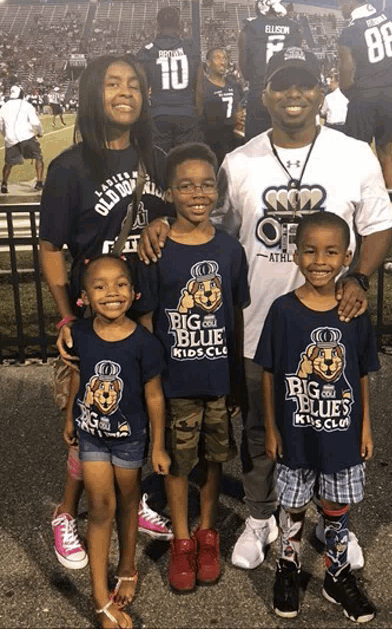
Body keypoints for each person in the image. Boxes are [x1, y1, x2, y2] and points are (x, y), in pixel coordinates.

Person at [137, 46, 392, 573]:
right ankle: (261, 516)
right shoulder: (238, 160)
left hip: (332, 323)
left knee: (332, 424)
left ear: (322, 92)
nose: (294, 94)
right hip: (256, 326)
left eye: (304, 84)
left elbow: (377, 226)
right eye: (282, 84)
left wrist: (361, 278)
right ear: (266, 94)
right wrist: (162, 222)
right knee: (259, 431)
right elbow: (207, 224)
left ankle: (330, 522)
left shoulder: (354, 154)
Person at [39, 55, 173, 573]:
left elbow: (169, 218)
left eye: (135, 84)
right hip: (95, 319)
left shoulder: (154, 157)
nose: (126, 92)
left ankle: (133, 500)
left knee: (132, 417)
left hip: (144, 319)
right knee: (91, 418)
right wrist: (67, 321)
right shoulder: (72, 166)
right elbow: (51, 246)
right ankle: (63, 514)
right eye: (113, 83)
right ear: (94, 93)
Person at [137, 142, 250, 593]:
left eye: (206, 184)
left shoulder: (230, 250)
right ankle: (182, 538)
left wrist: (237, 382)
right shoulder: (156, 250)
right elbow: (146, 323)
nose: (197, 193)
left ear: (217, 191)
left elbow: (235, 318)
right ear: (169, 191)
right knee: (180, 465)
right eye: (186, 185)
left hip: (218, 381)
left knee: (214, 459)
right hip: (176, 382)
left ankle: (208, 532)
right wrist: (150, 385)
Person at [256, 211, 378, 622]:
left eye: (330, 252)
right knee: (292, 507)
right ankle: (287, 567)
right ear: (295, 255)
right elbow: (270, 374)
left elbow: (359, 372)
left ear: (347, 257)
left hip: (342, 432)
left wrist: (364, 425)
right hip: (295, 433)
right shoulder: (283, 311)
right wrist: (271, 428)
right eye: (310, 251)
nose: (320, 260)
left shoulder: (353, 311)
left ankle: (336, 574)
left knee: (335, 504)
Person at [65, 254, 169, 629]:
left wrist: (158, 446)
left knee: (127, 502)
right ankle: (99, 600)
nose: (112, 292)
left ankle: (127, 565)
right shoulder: (80, 334)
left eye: (120, 284)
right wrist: (70, 417)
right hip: (92, 435)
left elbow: (154, 396)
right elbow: (79, 377)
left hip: (130, 440)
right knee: (98, 508)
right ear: (85, 297)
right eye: (100, 286)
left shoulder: (145, 343)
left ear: (134, 291)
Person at [337, 0, 392, 188]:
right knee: (386, 154)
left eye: (341, 2)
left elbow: (345, 74)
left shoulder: (350, 31)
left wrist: (352, 95)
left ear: (350, 1)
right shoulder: (389, 18)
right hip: (388, 94)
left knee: (355, 156)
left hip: (364, 95)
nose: (340, 7)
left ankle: (357, 208)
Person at [136, 6, 204, 153]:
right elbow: (199, 87)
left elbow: (140, 87)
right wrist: (197, 114)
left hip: (158, 114)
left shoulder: (148, 51)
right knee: (185, 161)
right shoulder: (191, 47)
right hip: (186, 113)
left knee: (160, 162)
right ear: (179, 24)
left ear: (158, 25)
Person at [239, 0, 302, 141]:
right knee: (287, 142)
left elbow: (245, 70)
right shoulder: (293, 28)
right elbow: (298, 62)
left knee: (255, 144)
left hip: (259, 92)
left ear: (261, 4)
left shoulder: (250, 28)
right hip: (287, 93)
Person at [203, 47, 244, 165]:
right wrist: (231, 120)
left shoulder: (233, 84)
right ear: (209, 63)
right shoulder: (204, 86)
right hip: (212, 140)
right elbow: (203, 117)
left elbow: (238, 108)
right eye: (217, 58)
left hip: (233, 139)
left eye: (225, 58)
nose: (222, 62)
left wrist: (239, 122)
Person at [0, 85, 44, 193]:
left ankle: (4, 184)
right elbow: (35, 122)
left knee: (8, 163)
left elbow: (0, 125)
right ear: (21, 94)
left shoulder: (4, 107)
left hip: (10, 139)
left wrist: (6, 135)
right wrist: (40, 132)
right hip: (26, 136)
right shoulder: (27, 105)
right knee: (38, 157)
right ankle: (39, 182)